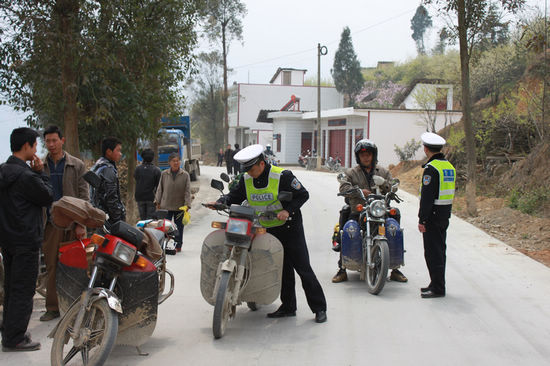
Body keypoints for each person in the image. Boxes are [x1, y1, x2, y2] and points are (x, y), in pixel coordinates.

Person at [210, 144, 327, 323]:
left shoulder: (283, 176)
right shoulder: (246, 179)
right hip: (267, 229)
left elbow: (303, 195)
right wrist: (220, 201)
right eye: (246, 170)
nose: (248, 173)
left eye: (251, 169)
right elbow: (234, 195)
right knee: (281, 268)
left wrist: (288, 210)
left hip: (289, 227)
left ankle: (319, 308)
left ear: (262, 164)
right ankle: (288, 307)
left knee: (302, 267)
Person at [0, 127, 53, 352]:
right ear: (26, 147)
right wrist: (41, 172)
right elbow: (47, 195)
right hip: (26, 239)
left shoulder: (3, 171)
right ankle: (15, 339)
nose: (37, 150)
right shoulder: (26, 176)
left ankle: (10, 330)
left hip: (8, 239)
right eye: (35, 146)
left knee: (12, 287)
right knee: (23, 290)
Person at [332, 139, 408, 283]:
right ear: (358, 157)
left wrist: (384, 184)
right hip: (359, 210)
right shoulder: (351, 172)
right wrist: (359, 191)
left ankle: (395, 269)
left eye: (368, 154)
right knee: (347, 223)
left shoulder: (383, 171)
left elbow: (393, 186)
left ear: (374, 155)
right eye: (362, 155)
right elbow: (343, 188)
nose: (366, 157)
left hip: (380, 210)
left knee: (394, 220)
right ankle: (342, 268)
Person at [40, 125, 88, 322]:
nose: (51, 145)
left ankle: (76, 305)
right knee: (51, 265)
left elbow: (84, 195)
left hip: (72, 223)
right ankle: (53, 307)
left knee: (75, 265)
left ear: (62, 140)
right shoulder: (40, 166)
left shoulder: (76, 165)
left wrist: (81, 223)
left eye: (54, 140)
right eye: (47, 141)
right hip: (50, 225)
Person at [418, 132, 456, 299]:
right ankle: (435, 284)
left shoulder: (431, 169)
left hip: (432, 217)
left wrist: (422, 219)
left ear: (426, 149)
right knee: (440, 251)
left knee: (433, 253)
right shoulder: (448, 166)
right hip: (444, 214)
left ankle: (438, 288)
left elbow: (427, 198)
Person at [155, 152, 191, 253]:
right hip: (166, 205)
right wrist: (157, 201)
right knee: (165, 227)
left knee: (179, 227)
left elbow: (187, 190)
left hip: (180, 206)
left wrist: (187, 204)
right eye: (173, 161)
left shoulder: (185, 175)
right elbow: (159, 189)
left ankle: (178, 245)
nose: (176, 163)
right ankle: (163, 245)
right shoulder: (164, 174)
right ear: (169, 163)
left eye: (177, 161)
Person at [90, 137, 125, 226]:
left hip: (98, 215)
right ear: (109, 151)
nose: (120, 154)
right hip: (109, 219)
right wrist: (118, 220)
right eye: (118, 150)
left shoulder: (97, 166)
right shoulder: (108, 170)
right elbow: (111, 197)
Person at [134, 148, 161, 220]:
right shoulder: (156, 170)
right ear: (152, 158)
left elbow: (136, 179)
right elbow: (158, 186)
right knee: (150, 220)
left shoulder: (138, 169)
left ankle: (142, 231)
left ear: (142, 157)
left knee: (142, 219)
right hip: (151, 198)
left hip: (139, 197)